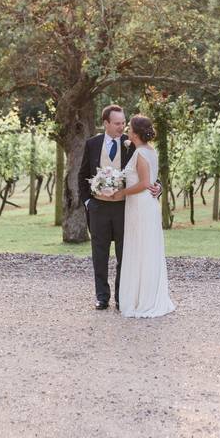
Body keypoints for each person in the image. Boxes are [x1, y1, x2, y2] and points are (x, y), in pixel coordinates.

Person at [77, 105, 161, 311]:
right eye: (117, 123)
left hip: (125, 208)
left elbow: (147, 173)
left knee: (126, 253)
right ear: (105, 123)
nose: (121, 127)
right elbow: (82, 174)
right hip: (98, 208)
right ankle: (102, 297)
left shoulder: (132, 144)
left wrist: (158, 187)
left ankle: (121, 297)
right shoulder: (92, 144)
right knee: (100, 253)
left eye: (123, 123)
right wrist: (88, 202)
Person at [104, 114, 175, 318]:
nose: (126, 129)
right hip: (145, 205)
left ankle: (142, 299)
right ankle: (145, 294)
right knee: (145, 249)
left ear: (135, 132)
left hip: (140, 206)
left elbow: (145, 183)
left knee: (140, 248)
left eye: (129, 128)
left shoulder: (140, 154)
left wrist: (121, 193)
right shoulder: (148, 150)